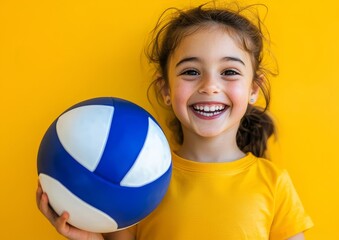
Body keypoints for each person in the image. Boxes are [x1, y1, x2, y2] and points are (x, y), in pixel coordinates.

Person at [36, 2, 313, 240]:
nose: (210, 86)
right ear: (165, 91)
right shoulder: (137, 179)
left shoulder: (274, 184)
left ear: (253, 88)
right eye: (191, 71)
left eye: (229, 71)